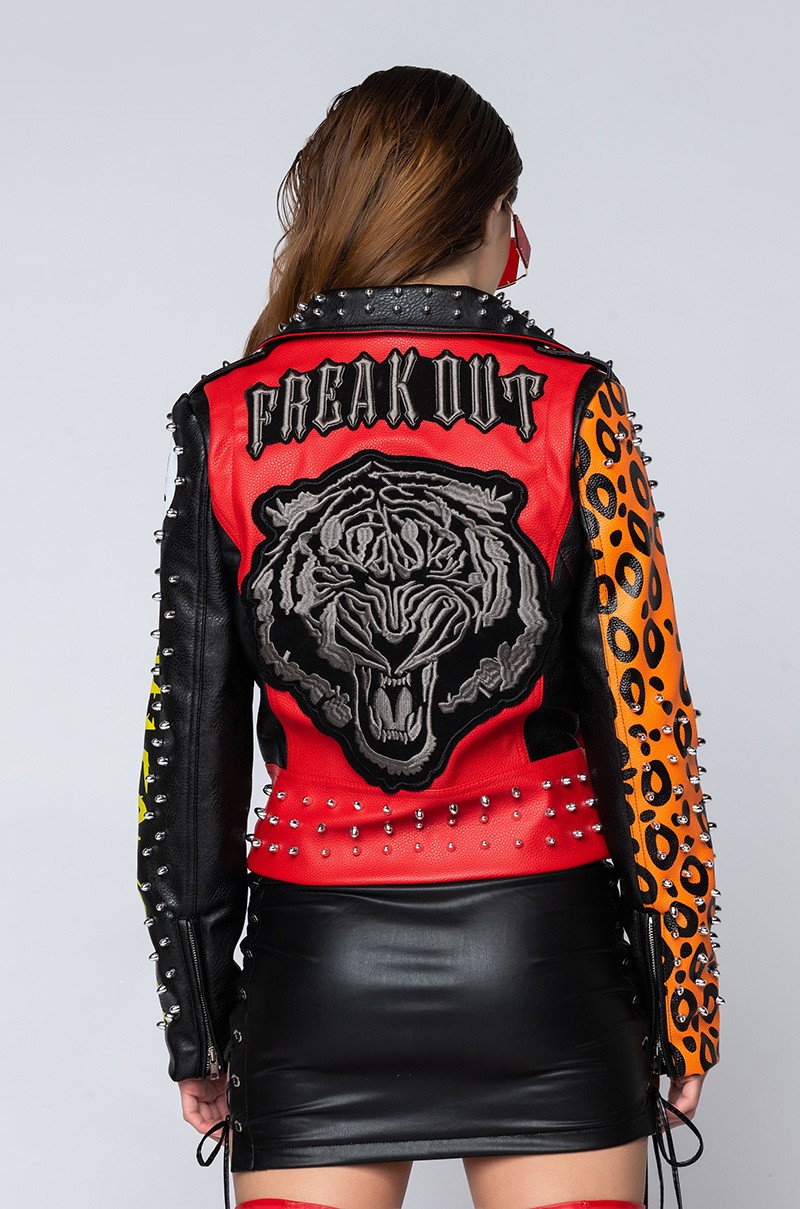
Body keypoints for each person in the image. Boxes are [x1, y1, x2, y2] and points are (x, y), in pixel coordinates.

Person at [136, 66, 722, 1209]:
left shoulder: (227, 418)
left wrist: (196, 1022)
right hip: (542, 964)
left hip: (316, 978)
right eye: (513, 210)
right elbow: (644, 727)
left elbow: (187, 757)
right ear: (490, 216)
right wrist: (681, 1000)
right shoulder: (572, 405)